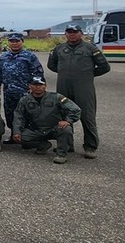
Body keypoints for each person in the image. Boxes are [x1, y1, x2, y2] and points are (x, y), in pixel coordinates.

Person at [47, 23, 110, 159]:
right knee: (63, 115)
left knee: (87, 116)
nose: (72, 34)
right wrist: (66, 73)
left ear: (80, 33)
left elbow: (104, 67)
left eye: (75, 32)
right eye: (69, 32)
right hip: (64, 86)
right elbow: (51, 65)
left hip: (84, 87)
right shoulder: (59, 49)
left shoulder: (90, 48)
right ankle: (66, 145)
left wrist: (87, 74)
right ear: (66, 34)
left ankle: (90, 146)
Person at [12, 76, 81, 165]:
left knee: (66, 129)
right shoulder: (25, 100)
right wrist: (16, 131)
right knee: (20, 138)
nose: (38, 87)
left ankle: (61, 155)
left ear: (45, 86)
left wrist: (68, 120)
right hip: (37, 130)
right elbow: (18, 116)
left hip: (54, 128)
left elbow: (75, 109)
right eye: (35, 85)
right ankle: (42, 145)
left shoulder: (56, 97)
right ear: (30, 86)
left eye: (40, 85)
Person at [0, 32, 44, 142]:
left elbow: (38, 72)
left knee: (26, 114)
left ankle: (28, 137)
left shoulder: (29, 56)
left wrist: (35, 87)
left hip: (24, 91)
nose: (14, 43)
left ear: (22, 42)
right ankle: (14, 134)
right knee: (10, 113)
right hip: (8, 91)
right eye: (12, 41)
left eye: (17, 41)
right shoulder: (4, 56)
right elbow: (0, 72)